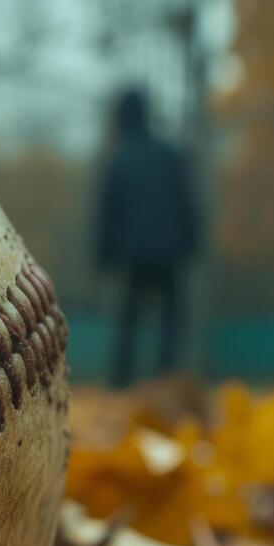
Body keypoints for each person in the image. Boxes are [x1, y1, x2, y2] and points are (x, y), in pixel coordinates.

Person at [97, 87, 200, 386]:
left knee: (129, 322)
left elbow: (109, 215)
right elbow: (186, 203)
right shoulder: (170, 154)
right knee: (170, 321)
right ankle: (165, 380)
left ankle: (121, 383)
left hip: (134, 254)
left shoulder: (120, 161)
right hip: (170, 252)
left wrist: (104, 257)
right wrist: (192, 242)